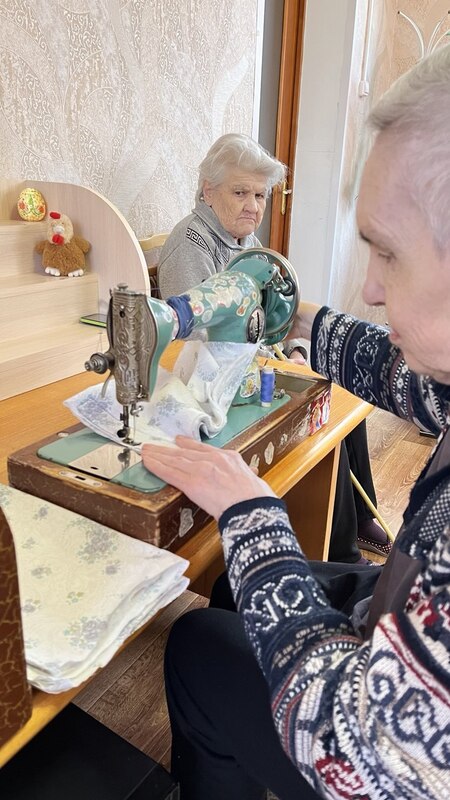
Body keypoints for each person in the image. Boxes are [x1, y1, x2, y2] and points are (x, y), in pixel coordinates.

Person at [142, 44, 450, 800]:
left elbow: (357, 753)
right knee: (232, 593)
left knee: (196, 642)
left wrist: (254, 517)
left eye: (388, 254)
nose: (369, 287)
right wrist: (302, 318)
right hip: (398, 613)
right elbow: (410, 380)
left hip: (370, 743)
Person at [158, 132, 390, 564]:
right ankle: (342, 550)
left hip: (248, 360)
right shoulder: (190, 245)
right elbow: (193, 341)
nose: (253, 205)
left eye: (260, 195)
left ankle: (359, 516)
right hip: (212, 377)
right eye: (240, 192)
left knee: (335, 390)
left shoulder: (243, 243)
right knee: (321, 413)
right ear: (208, 191)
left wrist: (295, 348)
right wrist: (270, 354)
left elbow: (274, 310)